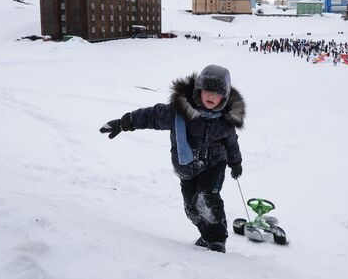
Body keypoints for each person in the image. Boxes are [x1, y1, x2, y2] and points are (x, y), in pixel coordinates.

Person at [99, 64, 245, 253]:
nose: (210, 96)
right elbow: (152, 116)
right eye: (207, 91)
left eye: (216, 93)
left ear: (224, 97)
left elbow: (232, 143)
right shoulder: (180, 111)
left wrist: (236, 162)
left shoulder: (225, 122)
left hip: (213, 165)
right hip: (187, 167)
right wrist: (123, 122)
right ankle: (206, 235)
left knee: (206, 198)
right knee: (192, 209)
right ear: (199, 90)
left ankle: (217, 240)